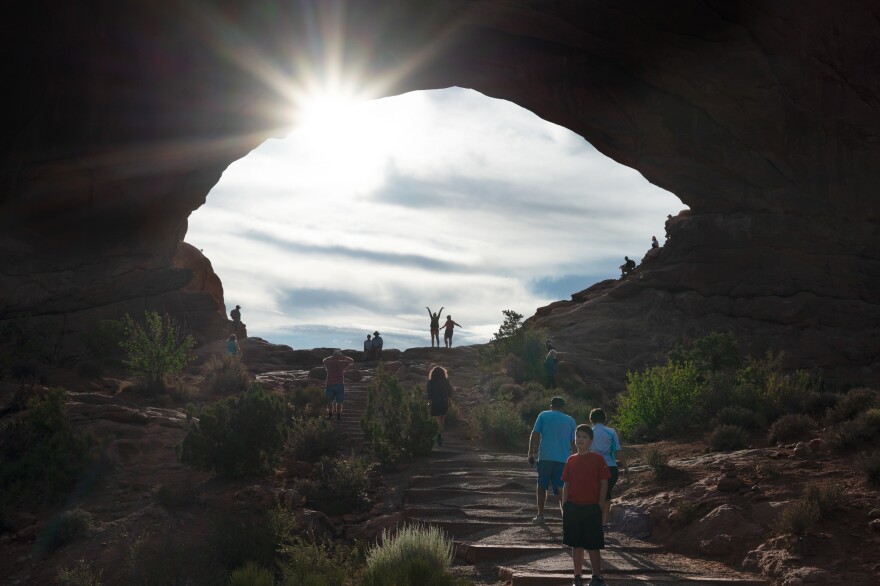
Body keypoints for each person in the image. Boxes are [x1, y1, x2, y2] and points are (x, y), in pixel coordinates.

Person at [562, 424, 611, 586]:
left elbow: (604, 483)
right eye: (578, 436)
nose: (580, 439)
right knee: (576, 544)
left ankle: (597, 576)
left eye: (584, 437)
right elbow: (566, 485)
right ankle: (577, 576)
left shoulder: (598, 459)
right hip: (573, 507)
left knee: (593, 544)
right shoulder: (571, 460)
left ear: (591, 440)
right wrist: (565, 506)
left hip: (592, 508)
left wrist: (600, 504)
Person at [527, 396, 576, 524]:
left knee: (542, 486)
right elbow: (573, 442)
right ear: (563, 407)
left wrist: (530, 452)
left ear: (551, 406)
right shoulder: (570, 420)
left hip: (546, 456)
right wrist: (578, 459)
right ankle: (566, 517)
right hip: (563, 459)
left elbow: (535, 434)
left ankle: (541, 516)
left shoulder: (543, 415)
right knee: (561, 488)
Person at [589, 408, 628, 527]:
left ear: (591, 419)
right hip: (610, 467)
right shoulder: (611, 431)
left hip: (593, 468)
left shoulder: (589, 432)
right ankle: (604, 524)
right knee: (606, 496)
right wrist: (626, 467)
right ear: (605, 419)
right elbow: (618, 451)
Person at [322, 349, 354, 421]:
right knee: (339, 402)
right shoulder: (342, 363)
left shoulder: (329, 363)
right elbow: (352, 361)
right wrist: (344, 356)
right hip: (339, 384)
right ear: (339, 356)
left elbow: (323, 361)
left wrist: (330, 357)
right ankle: (338, 416)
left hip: (330, 384)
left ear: (333, 356)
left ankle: (330, 415)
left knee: (329, 401)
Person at [426, 366, 453, 447]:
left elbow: (429, 395)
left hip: (434, 402)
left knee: (434, 419)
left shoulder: (430, 382)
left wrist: (430, 404)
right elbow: (450, 392)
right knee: (441, 419)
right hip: (444, 402)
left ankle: (434, 435)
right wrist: (449, 402)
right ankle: (439, 435)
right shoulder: (446, 381)